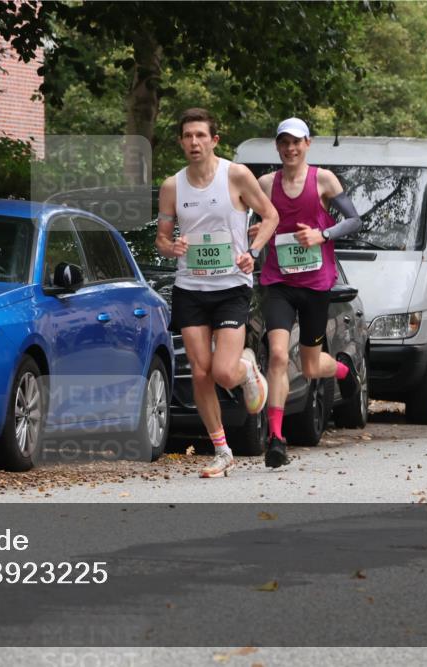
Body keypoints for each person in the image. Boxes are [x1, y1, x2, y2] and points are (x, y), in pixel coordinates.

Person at [156, 108, 280, 478]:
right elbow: (162, 239)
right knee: (200, 372)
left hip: (231, 287)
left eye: (200, 135)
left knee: (224, 372)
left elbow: (271, 216)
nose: (194, 142)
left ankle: (247, 371)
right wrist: (172, 247)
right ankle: (222, 451)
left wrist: (252, 252)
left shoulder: (236, 175)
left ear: (214, 140)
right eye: (187, 136)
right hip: (190, 287)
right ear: (181, 142)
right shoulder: (172, 186)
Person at [253, 117, 363, 468]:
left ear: (307, 144)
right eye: (284, 143)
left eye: (296, 142)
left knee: (312, 366)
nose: (290, 149)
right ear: (277, 146)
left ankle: (343, 370)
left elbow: (354, 220)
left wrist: (322, 234)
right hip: (279, 283)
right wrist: (255, 233)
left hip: (316, 284)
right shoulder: (265, 184)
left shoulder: (324, 180)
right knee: (277, 356)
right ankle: (276, 438)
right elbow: (253, 224)